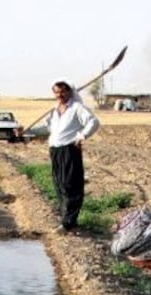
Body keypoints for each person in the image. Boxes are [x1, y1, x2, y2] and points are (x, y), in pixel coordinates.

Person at [42, 79, 100, 233]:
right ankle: (67, 220)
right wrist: (25, 132)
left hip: (70, 149)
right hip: (55, 151)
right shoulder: (54, 111)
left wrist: (82, 136)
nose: (60, 95)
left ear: (69, 92)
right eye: (57, 92)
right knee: (59, 185)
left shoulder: (77, 108)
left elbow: (93, 122)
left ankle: (68, 223)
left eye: (63, 91)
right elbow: (47, 129)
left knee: (71, 185)